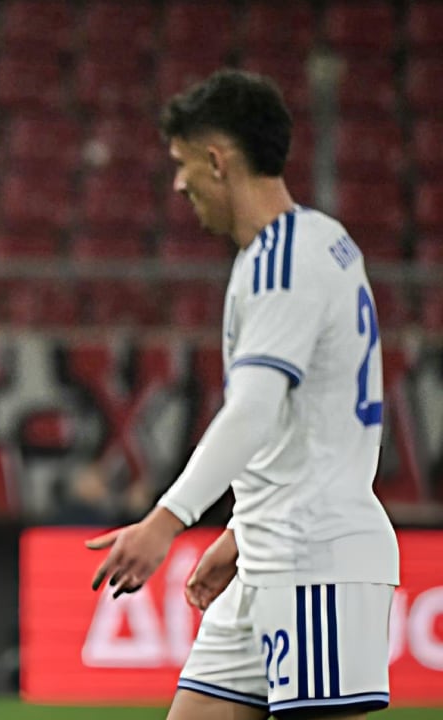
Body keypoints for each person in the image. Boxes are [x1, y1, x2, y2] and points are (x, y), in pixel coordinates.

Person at [87, 70, 399, 719]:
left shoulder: (283, 264)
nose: (179, 184)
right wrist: (240, 529)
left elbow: (255, 408)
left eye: (181, 164)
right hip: (266, 555)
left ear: (216, 160)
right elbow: (308, 417)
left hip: (315, 563)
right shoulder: (323, 242)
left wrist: (166, 520)